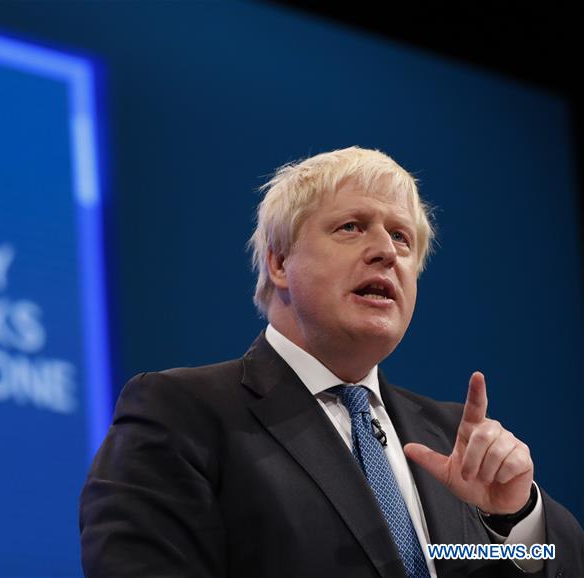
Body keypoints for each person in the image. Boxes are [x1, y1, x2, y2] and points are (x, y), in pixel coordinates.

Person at [79, 147, 584, 577]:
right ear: (280, 262)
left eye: (403, 238)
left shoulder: (455, 442)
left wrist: (517, 517)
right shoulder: (183, 413)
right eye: (351, 227)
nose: (386, 251)